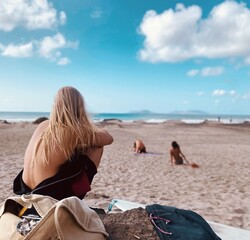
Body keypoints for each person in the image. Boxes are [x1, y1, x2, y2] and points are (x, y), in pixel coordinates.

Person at [13, 86, 113, 200]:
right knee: (97, 147)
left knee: (75, 151)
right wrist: (86, 127)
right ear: (79, 106)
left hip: (25, 194)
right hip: (47, 199)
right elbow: (109, 139)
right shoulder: (72, 132)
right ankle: (75, 201)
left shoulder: (43, 125)